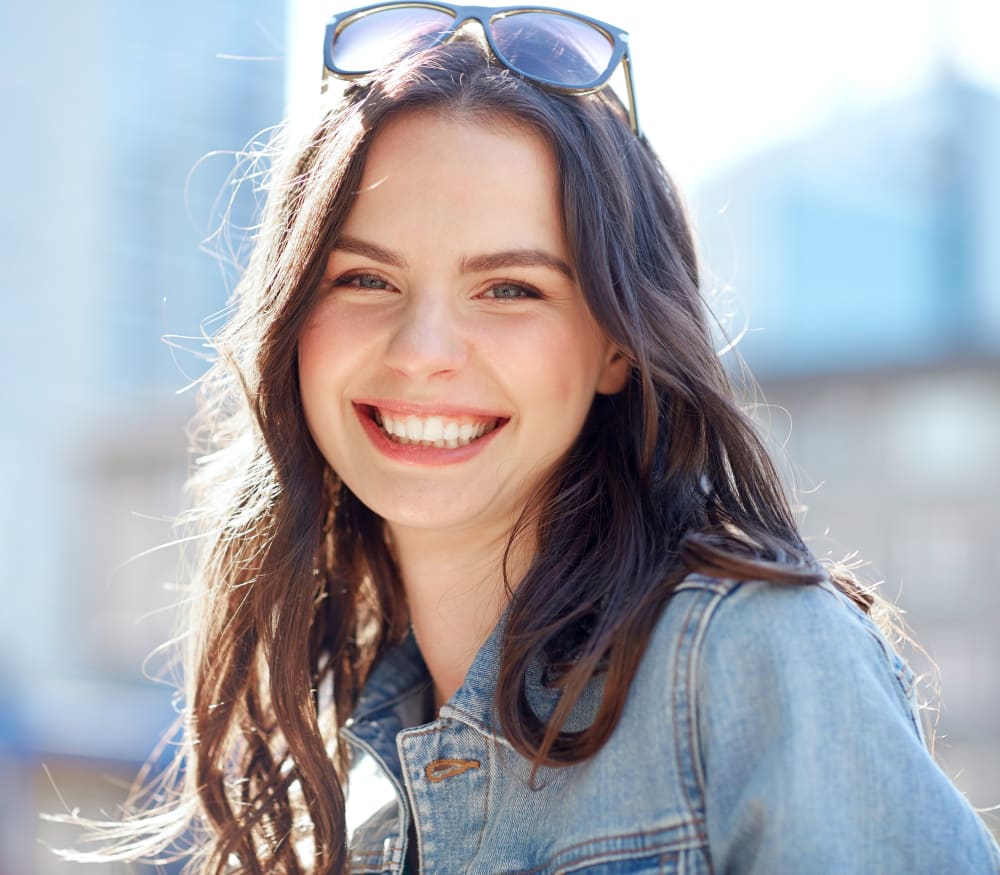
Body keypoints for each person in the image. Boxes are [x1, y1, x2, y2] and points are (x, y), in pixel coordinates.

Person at [68, 4, 1000, 873]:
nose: (424, 352)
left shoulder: (746, 658)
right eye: (363, 280)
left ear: (618, 345)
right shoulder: (344, 776)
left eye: (510, 288)